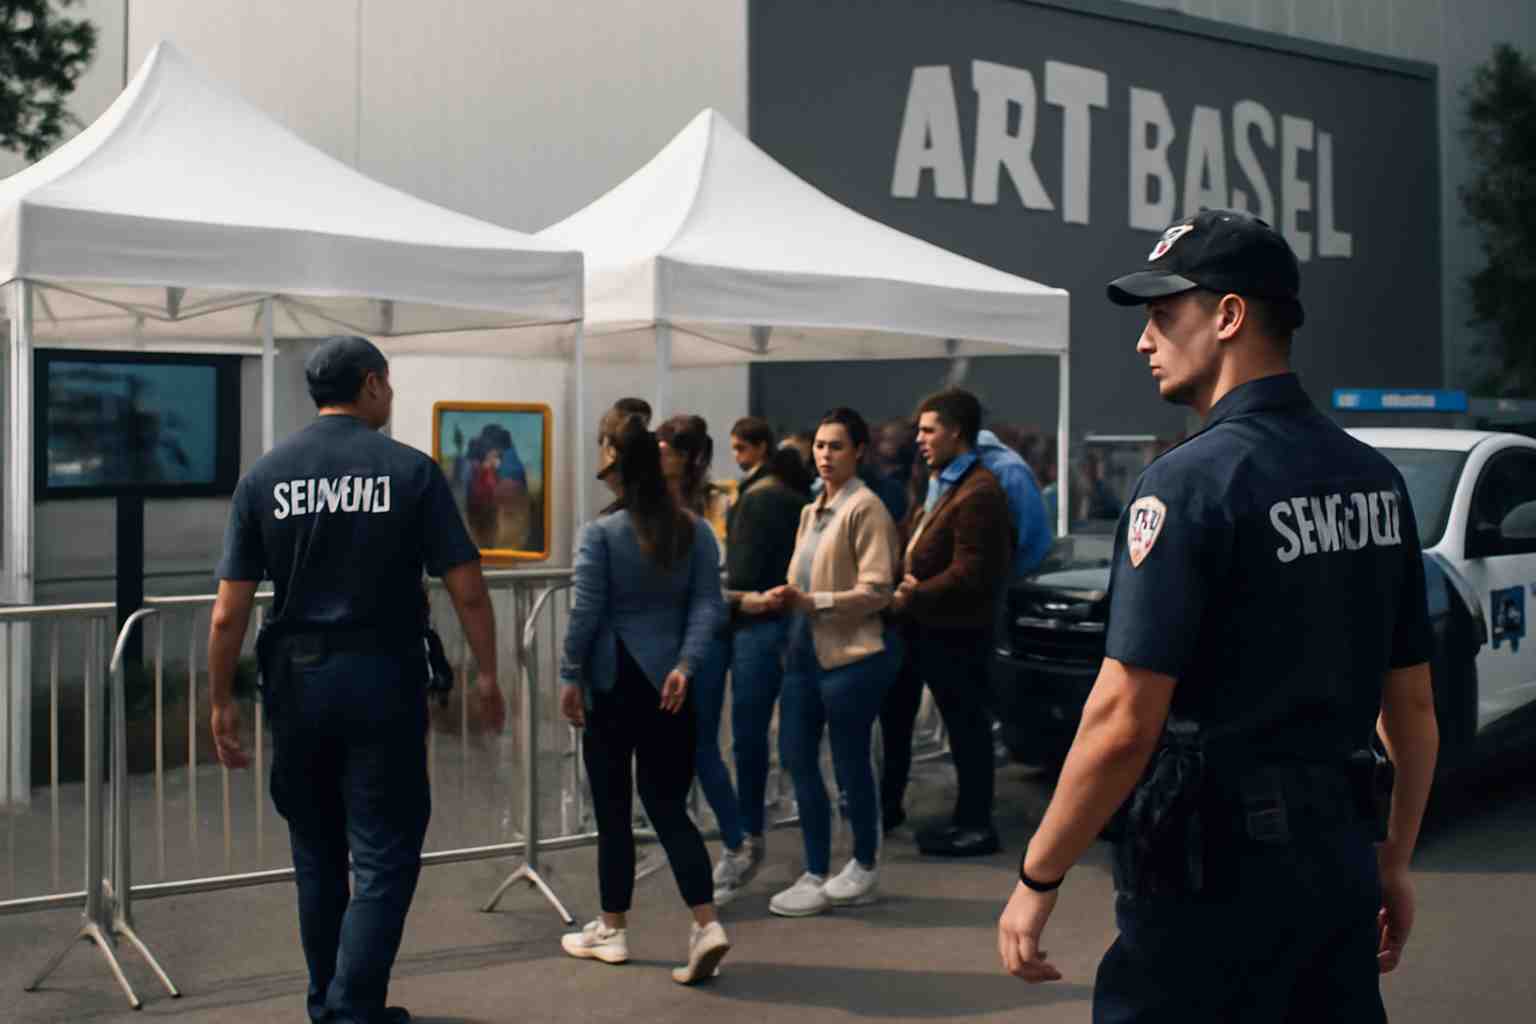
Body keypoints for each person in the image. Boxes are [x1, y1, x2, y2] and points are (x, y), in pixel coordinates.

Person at [997, 209, 1440, 1023]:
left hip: (1213, 886)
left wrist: (1038, 877)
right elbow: (1410, 708)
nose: (1143, 341)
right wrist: (1393, 862)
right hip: (1336, 864)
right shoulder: (1375, 481)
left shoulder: (1189, 484)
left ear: (1229, 315)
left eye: (1164, 315)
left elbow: (1124, 717)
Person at [209, 335, 507, 1024]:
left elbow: (229, 613)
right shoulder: (411, 471)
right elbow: (466, 587)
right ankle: (352, 1008)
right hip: (382, 677)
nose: (392, 395)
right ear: (370, 385)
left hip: (296, 682)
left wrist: (219, 699)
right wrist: (487, 672)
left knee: (316, 851)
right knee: (385, 851)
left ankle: (329, 1004)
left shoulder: (265, 476)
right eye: (389, 383)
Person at [557, 412, 732, 985]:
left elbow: (584, 614)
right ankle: (706, 923)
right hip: (671, 689)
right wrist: (685, 664)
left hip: (612, 684)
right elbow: (710, 604)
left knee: (612, 811)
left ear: (621, 473)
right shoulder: (695, 530)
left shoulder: (601, 534)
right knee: (667, 807)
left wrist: (569, 673)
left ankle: (612, 928)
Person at [766, 407, 902, 917]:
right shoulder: (811, 510)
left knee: (850, 765)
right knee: (799, 759)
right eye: (820, 445)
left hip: (851, 656)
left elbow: (877, 589)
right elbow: (804, 577)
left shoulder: (865, 509)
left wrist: (815, 602)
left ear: (859, 452)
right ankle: (815, 868)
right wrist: (789, 598)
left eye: (836, 446)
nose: (824, 454)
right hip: (804, 654)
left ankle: (864, 864)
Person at [890, 389, 1012, 857]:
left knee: (967, 730)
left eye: (928, 430)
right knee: (938, 725)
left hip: (956, 632)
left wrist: (916, 591)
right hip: (928, 628)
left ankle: (976, 826)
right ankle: (938, 814)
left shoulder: (979, 491)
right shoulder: (945, 481)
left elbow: (973, 570)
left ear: (956, 432)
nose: (919, 439)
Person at [712, 416, 812, 904]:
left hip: (760, 627)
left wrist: (732, 598)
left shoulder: (760, 499)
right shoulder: (792, 498)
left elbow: (747, 570)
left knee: (749, 739)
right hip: (788, 624)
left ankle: (749, 835)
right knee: (793, 744)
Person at [655, 413, 744, 897]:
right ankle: (704, 848)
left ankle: (734, 843)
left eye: (665, 448)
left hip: (705, 642)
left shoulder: (715, 506)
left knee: (701, 745)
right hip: (668, 643)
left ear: (686, 456)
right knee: (679, 750)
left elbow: (715, 583)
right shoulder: (655, 503)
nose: (656, 456)